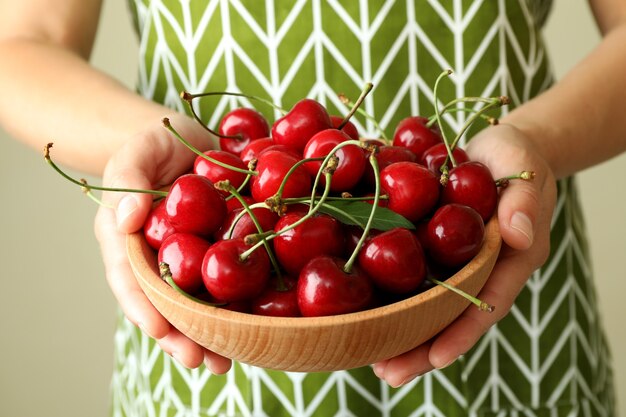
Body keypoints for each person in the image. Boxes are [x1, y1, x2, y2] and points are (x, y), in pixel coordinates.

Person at [0, 0, 623, 415]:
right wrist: (149, 143)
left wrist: (536, 143)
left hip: (492, 286)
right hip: (213, 315)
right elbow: (21, 45)